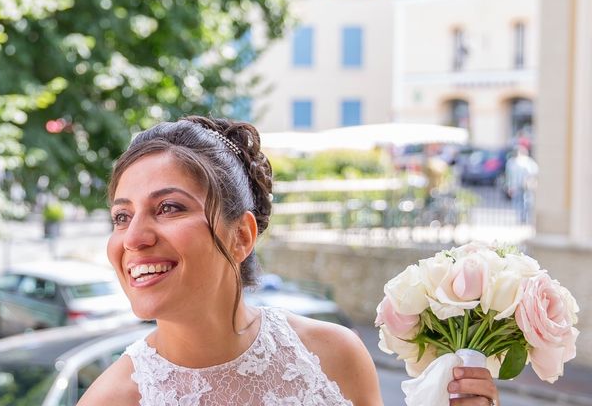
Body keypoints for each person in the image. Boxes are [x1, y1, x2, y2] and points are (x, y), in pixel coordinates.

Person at [78, 116, 500, 405]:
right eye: (121, 216)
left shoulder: (334, 355)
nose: (132, 238)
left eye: (169, 207)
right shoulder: (109, 399)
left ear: (242, 235)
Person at [505, 146, 538, 224]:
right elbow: (534, 172)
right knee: (523, 202)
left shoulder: (513, 162)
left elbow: (509, 176)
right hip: (522, 186)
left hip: (521, 186)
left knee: (522, 202)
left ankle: (522, 218)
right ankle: (523, 218)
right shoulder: (526, 162)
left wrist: (510, 186)